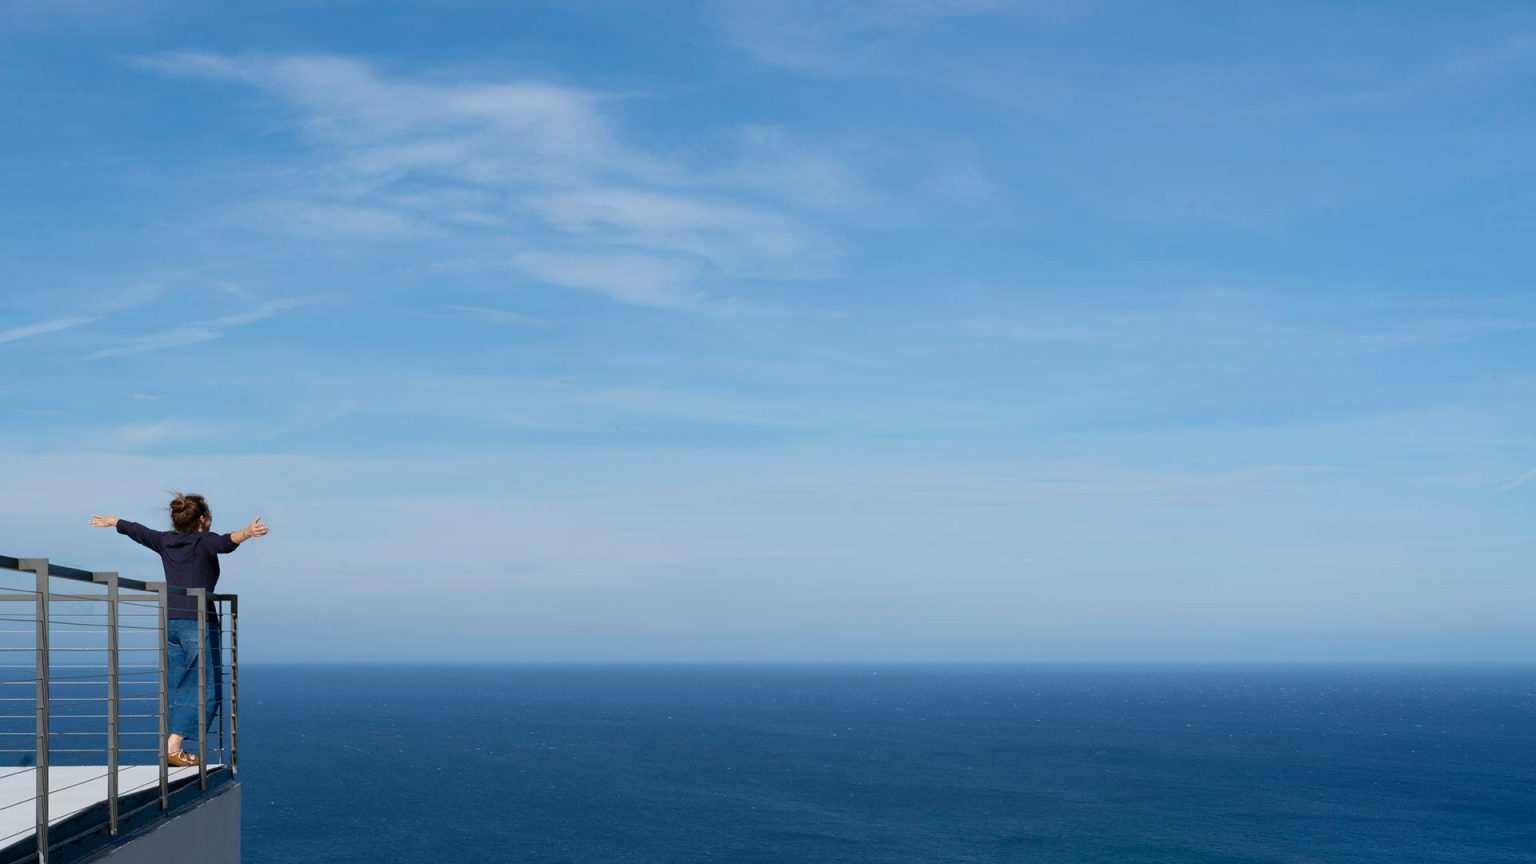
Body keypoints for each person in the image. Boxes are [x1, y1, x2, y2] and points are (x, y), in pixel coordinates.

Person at [88, 493, 268, 767]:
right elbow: (226, 543)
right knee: (208, 689)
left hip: (171, 621)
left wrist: (115, 522)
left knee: (179, 684)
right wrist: (248, 532)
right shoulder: (203, 540)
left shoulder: (165, 541)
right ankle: (174, 745)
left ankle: (173, 746)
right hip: (197, 621)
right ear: (203, 520)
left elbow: (140, 532)